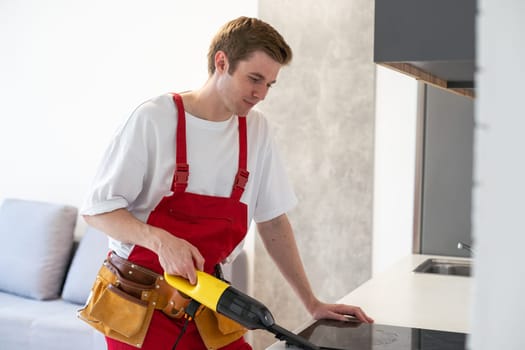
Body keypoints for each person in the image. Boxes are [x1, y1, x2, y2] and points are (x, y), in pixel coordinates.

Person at [81, 16, 373, 350]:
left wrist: (312, 303)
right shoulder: (154, 119)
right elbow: (97, 210)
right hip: (137, 309)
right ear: (222, 62)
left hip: (207, 306)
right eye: (254, 79)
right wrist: (160, 241)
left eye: (270, 84)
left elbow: (273, 220)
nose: (261, 94)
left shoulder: (256, 130)